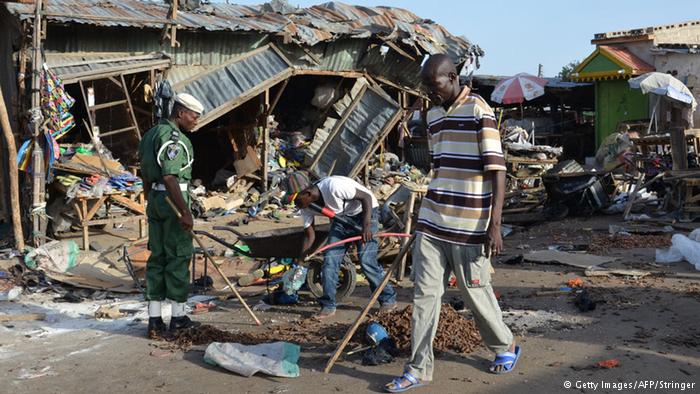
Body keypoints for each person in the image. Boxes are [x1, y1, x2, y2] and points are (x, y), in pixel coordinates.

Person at [385, 55, 520, 392]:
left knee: (475, 293)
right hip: (432, 221)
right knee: (424, 296)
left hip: (471, 224)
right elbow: (440, 166)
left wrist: (495, 223)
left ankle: (505, 346)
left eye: (436, 85)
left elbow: (497, 170)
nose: (431, 92)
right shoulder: (432, 115)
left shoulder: (479, 110)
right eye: (427, 87)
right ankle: (418, 370)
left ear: (454, 77)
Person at [285, 173, 397, 318]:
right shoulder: (305, 207)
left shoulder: (333, 186)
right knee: (330, 261)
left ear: (307, 193)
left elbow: (366, 198)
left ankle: (388, 300)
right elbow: (309, 235)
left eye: (294, 199)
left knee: (366, 261)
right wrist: (300, 261)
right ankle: (328, 305)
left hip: (365, 213)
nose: (294, 204)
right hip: (340, 221)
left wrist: (367, 225)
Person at [138, 93, 204, 338]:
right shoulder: (174, 138)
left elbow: (145, 174)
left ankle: (154, 320)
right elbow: (169, 176)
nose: (196, 121)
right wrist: (185, 212)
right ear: (180, 113)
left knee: (157, 257)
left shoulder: (150, 134)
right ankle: (177, 318)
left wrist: (149, 201)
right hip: (173, 201)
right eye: (194, 116)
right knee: (178, 256)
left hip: (156, 200)